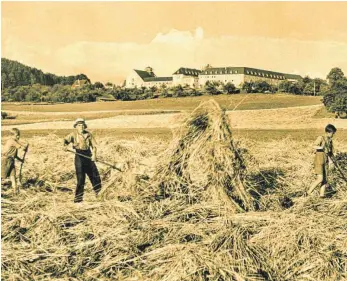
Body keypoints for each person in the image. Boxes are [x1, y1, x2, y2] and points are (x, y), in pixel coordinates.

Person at [63, 118, 101, 203]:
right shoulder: (73, 135)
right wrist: (65, 146)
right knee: (81, 179)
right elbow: (65, 141)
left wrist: (94, 155)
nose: (81, 126)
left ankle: (100, 195)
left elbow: (94, 146)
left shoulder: (89, 134)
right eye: (79, 125)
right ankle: (78, 200)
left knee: (95, 176)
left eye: (83, 125)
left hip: (89, 156)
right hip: (79, 157)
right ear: (76, 126)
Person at [307, 124, 337, 198]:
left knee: (324, 180)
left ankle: (322, 195)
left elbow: (331, 153)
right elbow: (313, 146)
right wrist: (321, 147)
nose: (333, 135)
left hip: (325, 161)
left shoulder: (330, 141)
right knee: (320, 179)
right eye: (333, 133)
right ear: (328, 132)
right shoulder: (321, 138)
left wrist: (332, 161)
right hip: (319, 161)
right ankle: (308, 192)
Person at [1, 128, 28, 195]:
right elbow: (21, 147)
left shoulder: (14, 143)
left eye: (19, 135)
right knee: (2, 176)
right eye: (17, 135)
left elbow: (15, 156)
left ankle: (15, 190)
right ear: (12, 136)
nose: (18, 137)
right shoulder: (11, 141)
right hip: (6, 160)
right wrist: (25, 146)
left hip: (11, 160)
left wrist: (21, 160)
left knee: (13, 176)